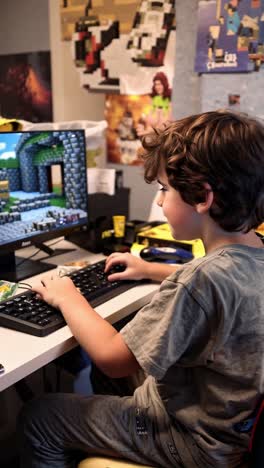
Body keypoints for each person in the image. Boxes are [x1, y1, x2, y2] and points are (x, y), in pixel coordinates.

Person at [18, 110, 264, 468]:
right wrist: (151, 269)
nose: (161, 201)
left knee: (40, 416)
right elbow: (224, 285)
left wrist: (68, 295)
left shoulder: (200, 279)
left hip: (192, 440)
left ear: (203, 197)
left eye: (165, 189)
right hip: (232, 431)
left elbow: (113, 358)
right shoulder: (254, 251)